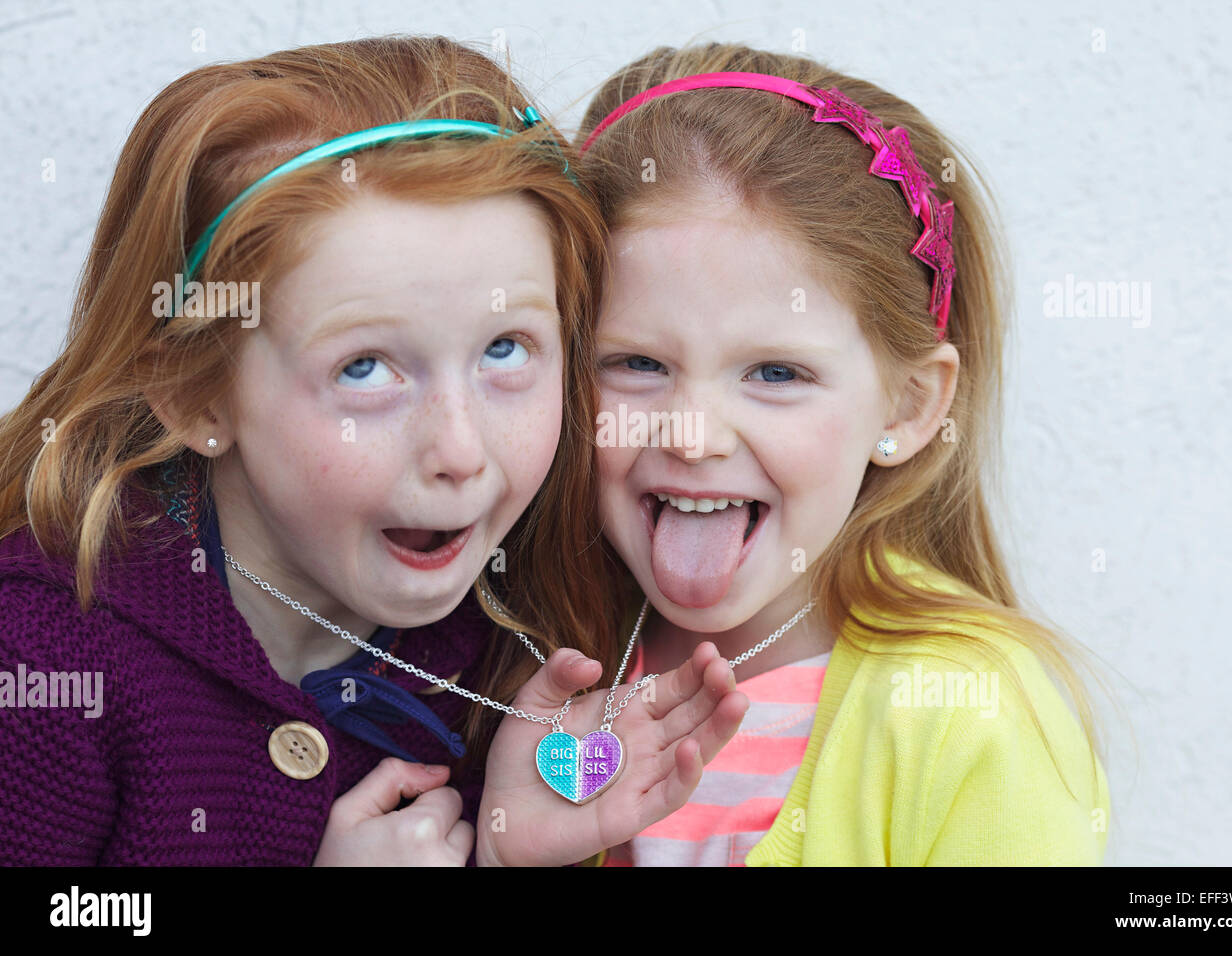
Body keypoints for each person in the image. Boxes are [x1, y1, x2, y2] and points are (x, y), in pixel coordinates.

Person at [0, 34, 744, 867]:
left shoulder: (524, 635)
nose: (460, 451)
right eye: (366, 369)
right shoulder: (43, 670)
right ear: (196, 392)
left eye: (505, 351)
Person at [576, 42, 1115, 865]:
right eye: (637, 364)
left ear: (908, 405)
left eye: (777, 373)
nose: (692, 435)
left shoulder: (970, 717)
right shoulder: (518, 657)